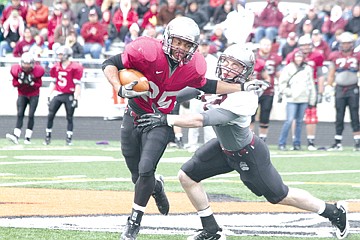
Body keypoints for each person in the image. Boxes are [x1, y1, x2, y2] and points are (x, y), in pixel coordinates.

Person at [136, 44, 349, 240]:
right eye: (226, 62)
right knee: (187, 176)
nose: (228, 68)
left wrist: (166, 118)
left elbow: (204, 120)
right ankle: (211, 229)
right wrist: (158, 96)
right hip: (223, 148)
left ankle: (334, 212)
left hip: (248, 153)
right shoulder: (218, 82)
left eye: (235, 65)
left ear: (245, 71)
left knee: (280, 195)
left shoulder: (245, 97)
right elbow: (190, 90)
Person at [101, 17, 268, 240]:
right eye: (178, 42)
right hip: (133, 115)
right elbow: (109, 63)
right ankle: (156, 188)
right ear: (168, 38)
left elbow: (207, 85)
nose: (181, 48)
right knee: (136, 174)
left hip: (159, 120)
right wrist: (118, 87)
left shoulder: (194, 65)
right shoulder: (146, 50)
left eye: (187, 45)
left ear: (193, 47)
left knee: (145, 168)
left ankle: (133, 224)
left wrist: (242, 86)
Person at [286, 34, 325, 151]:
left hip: (311, 88)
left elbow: (320, 74)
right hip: (296, 90)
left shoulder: (317, 55)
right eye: (303, 45)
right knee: (295, 117)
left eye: (308, 45)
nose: (306, 47)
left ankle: (310, 141)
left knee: (311, 115)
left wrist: (321, 91)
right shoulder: (292, 56)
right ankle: (295, 141)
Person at [326, 31, 360, 151]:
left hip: (353, 88)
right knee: (339, 115)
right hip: (340, 88)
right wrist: (329, 87)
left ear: (352, 44)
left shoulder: (357, 56)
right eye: (344, 43)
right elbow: (331, 73)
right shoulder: (335, 55)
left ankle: (357, 142)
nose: (345, 45)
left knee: (354, 115)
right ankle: (338, 141)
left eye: (348, 43)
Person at [44, 46, 83, 146]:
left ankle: (69, 138)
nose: (59, 56)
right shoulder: (56, 66)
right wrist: (48, 94)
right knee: (50, 114)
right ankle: (48, 136)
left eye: (61, 54)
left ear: (67, 55)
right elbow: (54, 82)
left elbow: (77, 84)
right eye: (59, 54)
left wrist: (76, 97)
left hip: (69, 94)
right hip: (58, 93)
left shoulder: (75, 67)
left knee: (69, 117)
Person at [278, 51, 316, 150]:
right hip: (292, 99)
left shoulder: (307, 68)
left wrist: (312, 99)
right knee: (289, 121)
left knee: (299, 122)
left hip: (304, 98)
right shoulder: (288, 68)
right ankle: (282, 143)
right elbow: (282, 83)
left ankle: (297, 143)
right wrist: (288, 92)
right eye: (297, 57)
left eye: (300, 57)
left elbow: (311, 84)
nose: (299, 59)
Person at [5, 52, 45, 145]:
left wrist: (32, 83)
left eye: (28, 63)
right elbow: (14, 84)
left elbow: (39, 85)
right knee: (20, 114)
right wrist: (20, 81)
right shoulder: (17, 70)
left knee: (31, 115)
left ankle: (27, 137)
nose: (26, 66)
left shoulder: (37, 71)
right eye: (25, 63)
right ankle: (16, 136)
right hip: (22, 94)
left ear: (32, 64)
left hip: (33, 95)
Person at [252, 37, 282, 142]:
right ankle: (249, 138)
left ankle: (262, 140)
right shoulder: (253, 57)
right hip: (252, 91)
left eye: (268, 45)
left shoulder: (276, 58)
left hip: (268, 90)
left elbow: (278, 75)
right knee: (251, 115)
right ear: (260, 45)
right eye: (264, 44)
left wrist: (281, 87)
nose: (266, 47)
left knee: (265, 115)